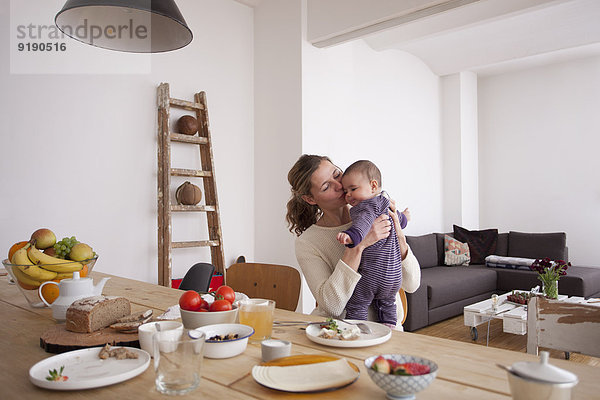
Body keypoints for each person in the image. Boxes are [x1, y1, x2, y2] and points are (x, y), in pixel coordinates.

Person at [286, 155, 421, 328]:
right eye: (326, 186)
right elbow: (332, 306)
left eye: (336, 174)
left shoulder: (378, 213)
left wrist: (398, 234)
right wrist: (359, 245)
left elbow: (412, 284)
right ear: (310, 199)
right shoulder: (308, 242)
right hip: (343, 334)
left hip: (390, 332)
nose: (339, 186)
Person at [335, 160, 410, 327]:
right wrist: (405, 216)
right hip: (394, 277)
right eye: (346, 191)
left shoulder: (366, 207)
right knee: (388, 304)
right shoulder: (386, 203)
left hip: (373, 275)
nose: (348, 195)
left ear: (373, 185)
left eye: (353, 189)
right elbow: (400, 220)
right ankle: (390, 325)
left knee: (357, 302)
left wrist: (350, 236)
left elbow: (362, 225)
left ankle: (357, 327)